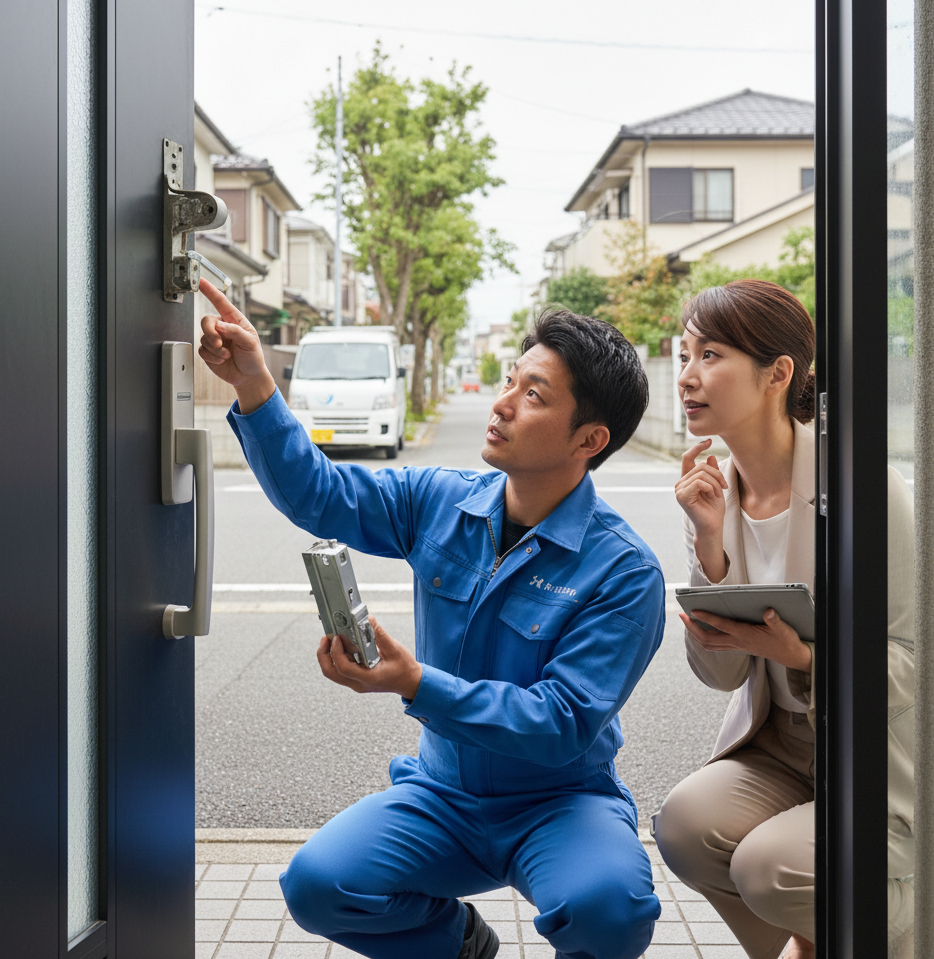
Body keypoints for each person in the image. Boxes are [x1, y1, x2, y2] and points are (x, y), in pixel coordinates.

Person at [197, 279, 666, 959]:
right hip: (443, 795)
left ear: (588, 438)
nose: (500, 404)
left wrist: (415, 682)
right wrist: (253, 387)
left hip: (561, 803)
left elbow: (560, 722)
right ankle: (461, 948)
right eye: (511, 380)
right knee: (317, 884)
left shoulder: (625, 570)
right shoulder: (441, 501)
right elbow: (321, 495)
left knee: (611, 911)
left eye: (533, 395)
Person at [652, 280, 915, 959]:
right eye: (684, 354)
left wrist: (803, 658)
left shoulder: (863, 485)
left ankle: (899, 925)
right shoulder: (715, 495)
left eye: (710, 354)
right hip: (783, 749)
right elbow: (722, 673)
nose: (686, 376)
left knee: (768, 867)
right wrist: (709, 546)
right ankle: (810, 939)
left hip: (874, 749)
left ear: (778, 374)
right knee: (684, 825)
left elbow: (913, 663)